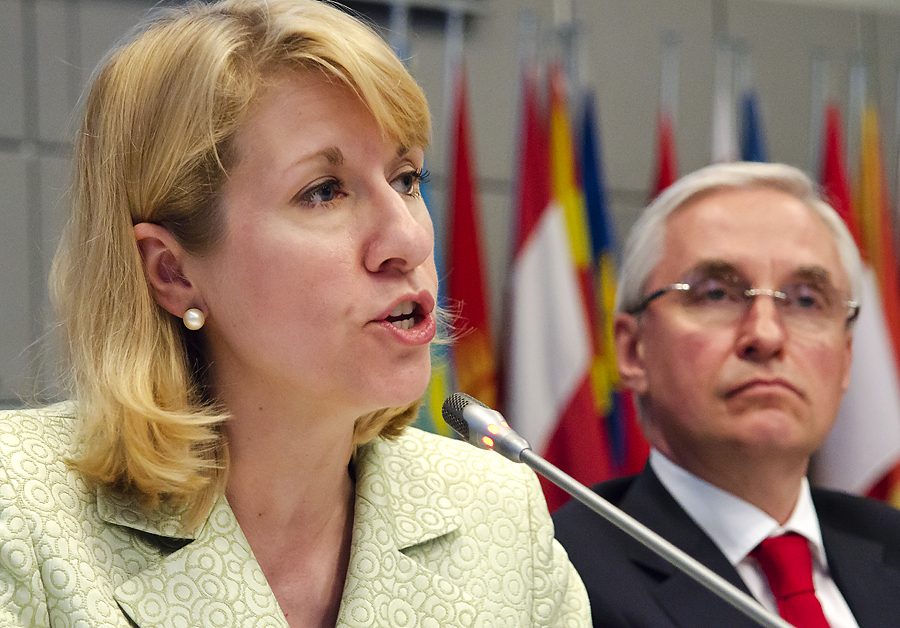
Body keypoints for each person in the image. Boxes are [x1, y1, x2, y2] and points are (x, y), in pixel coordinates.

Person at [0, 1, 589, 626]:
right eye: (323, 191)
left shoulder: (496, 515)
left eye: (406, 178)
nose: (409, 239)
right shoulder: (22, 513)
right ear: (172, 272)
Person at [553, 161, 900, 628]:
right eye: (716, 294)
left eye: (804, 300)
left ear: (847, 357)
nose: (766, 335)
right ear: (633, 350)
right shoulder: (561, 575)